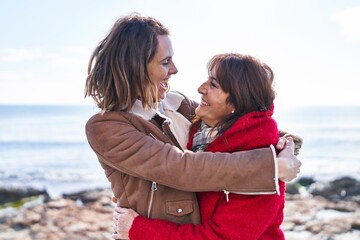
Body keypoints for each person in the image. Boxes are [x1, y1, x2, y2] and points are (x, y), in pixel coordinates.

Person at [84, 13, 302, 232]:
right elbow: (180, 168)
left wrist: (284, 144)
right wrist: (271, 166)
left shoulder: (178, 104)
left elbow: (236, 122)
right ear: (136, 66)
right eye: (165, 62)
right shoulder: (107, 127)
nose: (174, 70)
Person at [113, 53, 289, 239]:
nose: (200, 89)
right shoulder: (202, 133)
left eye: (213, 84)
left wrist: (138, 229)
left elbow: (220, 237)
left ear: (238, 101)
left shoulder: (259, 159)